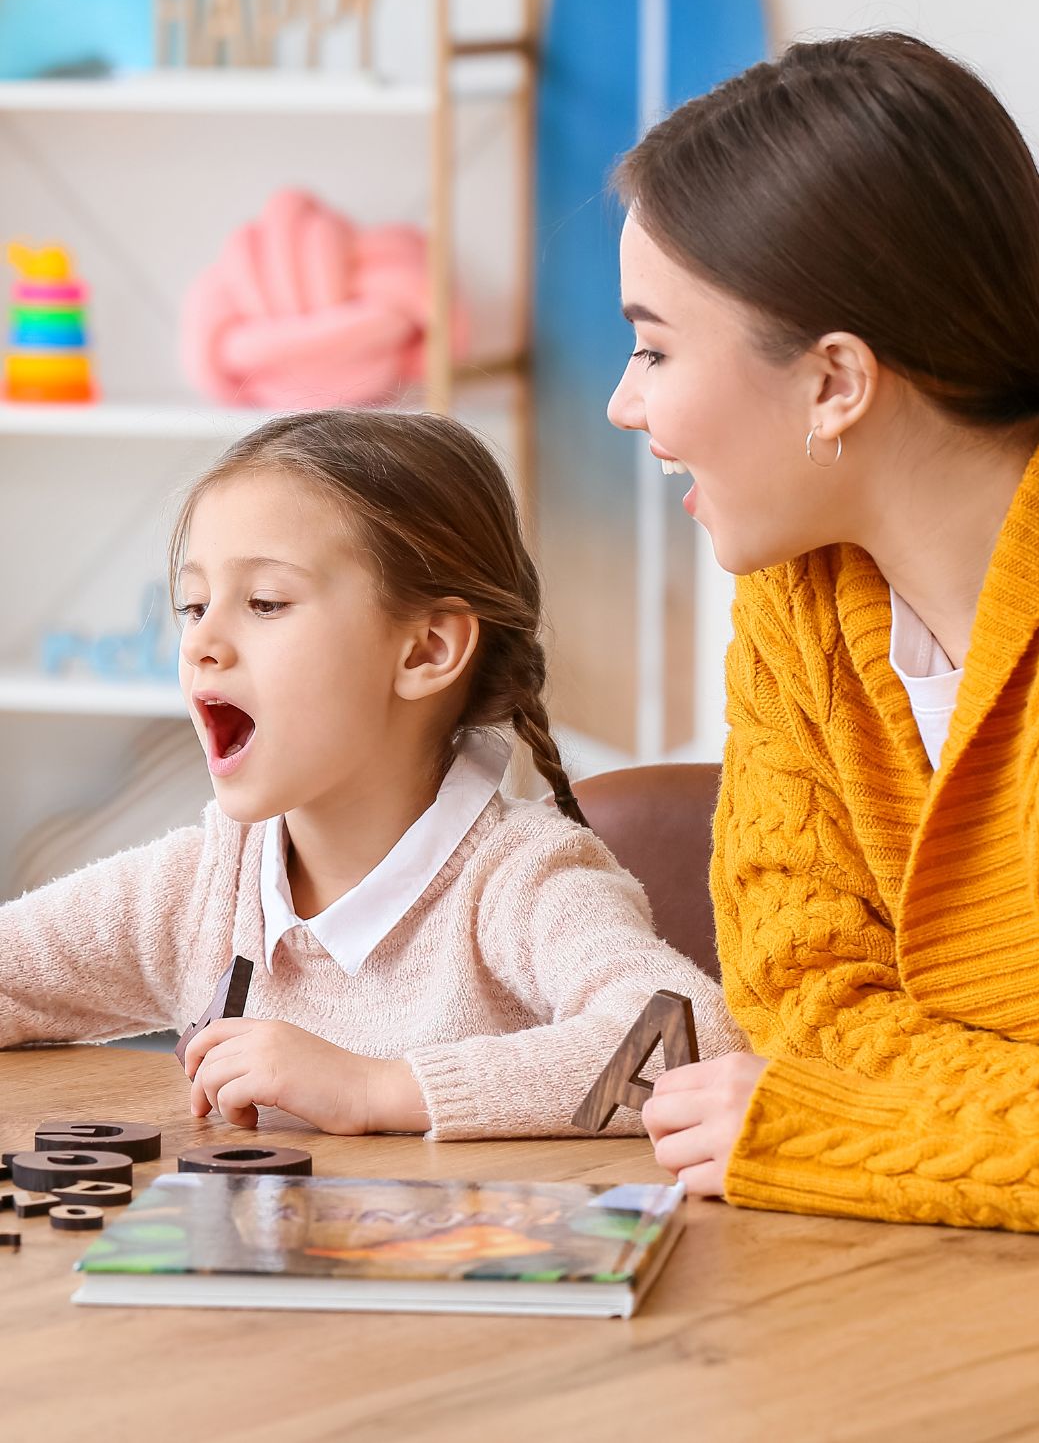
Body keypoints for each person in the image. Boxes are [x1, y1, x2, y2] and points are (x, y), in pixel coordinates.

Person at [608, 31, 1039, 1245]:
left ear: (835, 382)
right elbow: (805, 1011)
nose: (628, 404)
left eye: (656, 347)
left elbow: (810, 1089)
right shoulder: (797, 601)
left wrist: (841, 1130)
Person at [0, 410, 740, 1137]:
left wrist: (378, 1088)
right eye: (193, 606)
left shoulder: (520, 878)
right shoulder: (207, 883)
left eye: (264, 602)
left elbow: (687, 1042)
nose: (202, 643)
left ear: (425, 651)